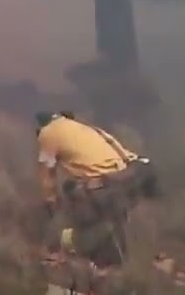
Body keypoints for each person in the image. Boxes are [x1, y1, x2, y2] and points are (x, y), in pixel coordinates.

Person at [35, 111, 159, 266]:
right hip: (130, 177)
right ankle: (116, 263)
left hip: (106, 185)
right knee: (112, 221)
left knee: (88, 222)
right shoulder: (86, 128)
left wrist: (51, 203)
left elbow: (48, 176)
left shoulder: (48, 133)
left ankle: (63, 250)